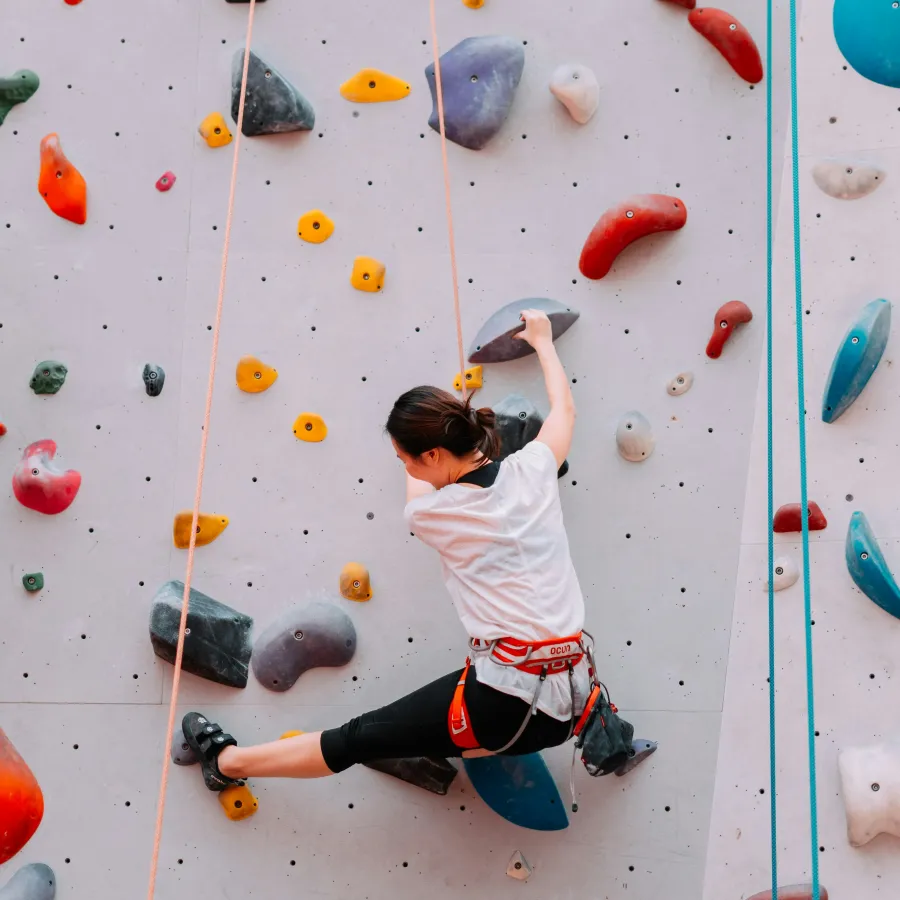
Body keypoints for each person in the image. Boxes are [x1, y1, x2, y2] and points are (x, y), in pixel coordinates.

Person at [181, 308, 594, 791]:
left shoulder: (434, 515)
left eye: (405, 458)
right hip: (572, 697)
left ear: (433, 455)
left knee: (355, 738)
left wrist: (424, 438)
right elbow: (564, 411)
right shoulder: (535, 470)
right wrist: (543, 340)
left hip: (506, 706)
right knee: (422, 727)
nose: (406, 467)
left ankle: (226, 764)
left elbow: (421, 487)